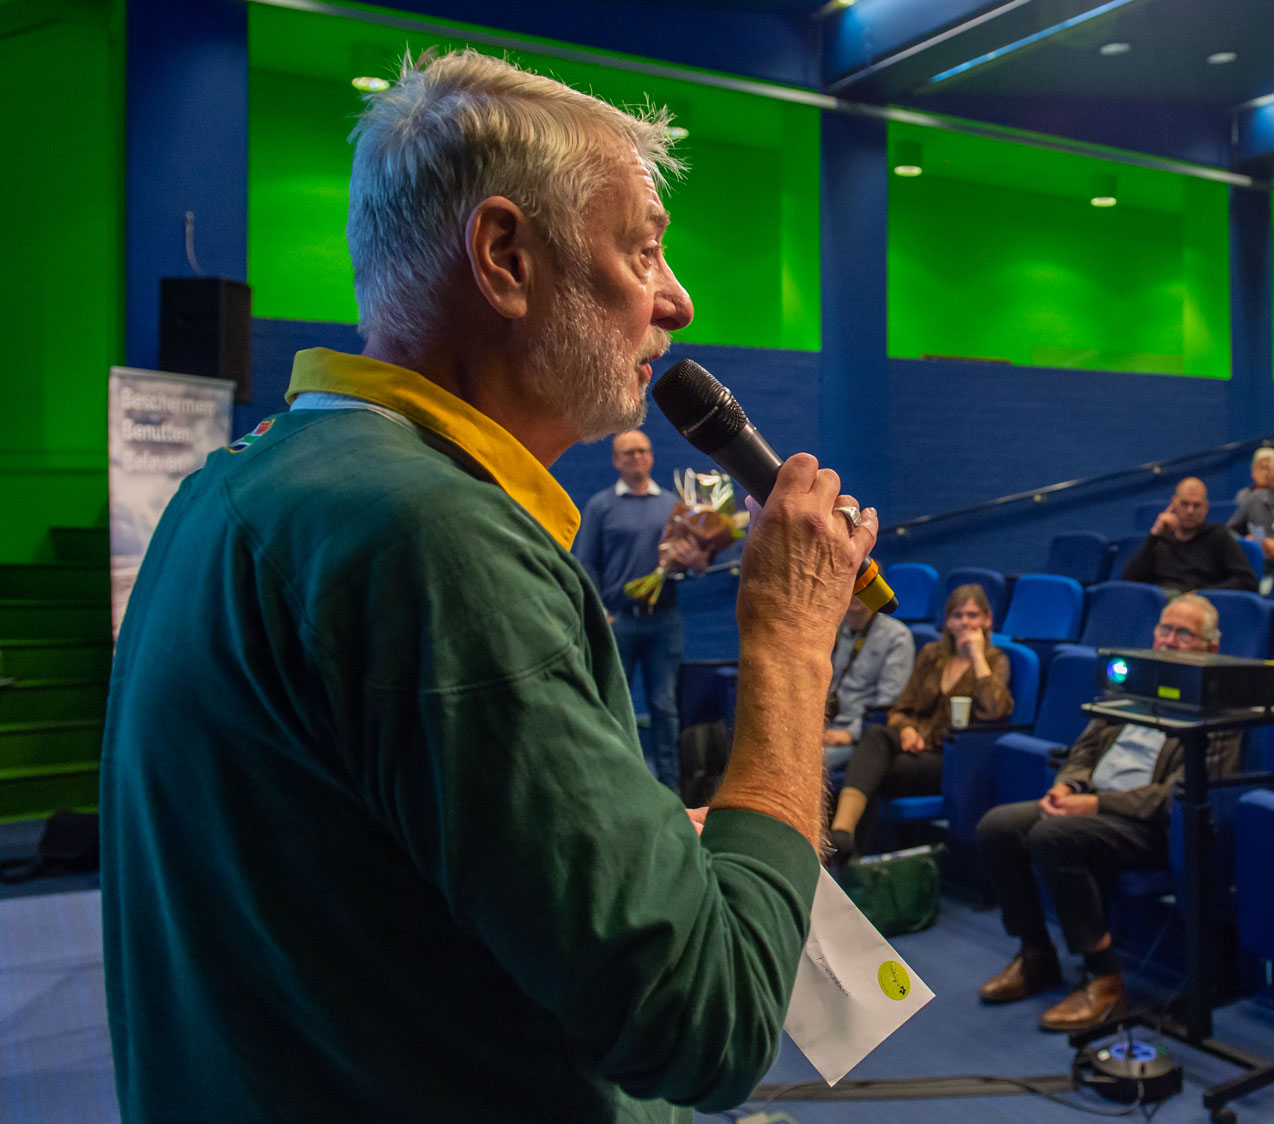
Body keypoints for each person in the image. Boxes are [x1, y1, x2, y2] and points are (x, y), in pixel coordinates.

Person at [100, 50, 875, 1122]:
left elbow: (371, 880)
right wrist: (791, 641)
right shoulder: (434, 539)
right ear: (506, 256)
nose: (677, 300)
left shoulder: (247, 483)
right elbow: (713, 1019)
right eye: (642, 249)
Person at [975, 596, 1237, 1032]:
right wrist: (1067, 785)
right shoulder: (1133, 686)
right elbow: (1085, 749)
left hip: (1149, 827)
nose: (1169, 641)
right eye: (1165, 630)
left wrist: (1094, 803)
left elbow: (1180, 795)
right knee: (998, 828)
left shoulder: (1220, 708)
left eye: (1183, 634)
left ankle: (1104, 977)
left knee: (1052, 837)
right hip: (1091, 804)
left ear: (1209, 647)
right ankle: (1037, 953)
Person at [575, 428, 716, 797]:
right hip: (619, 622)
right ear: (616, 461)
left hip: (664, 620)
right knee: (611, 704)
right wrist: (600, 611)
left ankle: (671, 794)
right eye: (628, 453)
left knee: (664, 708)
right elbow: (585, 563)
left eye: (642, 451)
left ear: (651, 456)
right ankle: (616, 788)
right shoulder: (601, 507)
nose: (636, 458)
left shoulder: (672, 505)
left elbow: (693, 566)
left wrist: (694, 562)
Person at [828, 584, 1013, 862]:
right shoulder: (932, 655)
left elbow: (996, 709)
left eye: (973, 615)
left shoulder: (995, 661)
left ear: (987, 620)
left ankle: (847, 850)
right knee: (877, 736)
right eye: (958, 615)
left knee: (871, 769)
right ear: (948, 621)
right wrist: (906, 729)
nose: (965, 622)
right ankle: (844, 837)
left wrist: (976, 656)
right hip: (913, 749)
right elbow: (900, 709)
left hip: (951, 759)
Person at [823, 593, 916, 771]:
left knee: (802, 764)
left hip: (860, 739)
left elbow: (888, 705)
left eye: (862, 587)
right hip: (824, 729)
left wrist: (850, 734)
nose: (855, 594)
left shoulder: (896, 637)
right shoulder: (831, 629)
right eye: (851, 586)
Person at [1122, 477, 1258, 593]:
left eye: (1196, 505)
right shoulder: (1161, 538)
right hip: (1161, 603)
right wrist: (1154, 536)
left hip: (1198, 606)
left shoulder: (1218, 536)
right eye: (1184, 504)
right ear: (1173, 503)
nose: (1190, 511)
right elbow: (1129, 580)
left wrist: (1202, 594)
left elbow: (1246, 581)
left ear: (1206, 507)